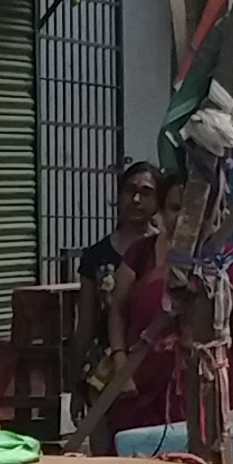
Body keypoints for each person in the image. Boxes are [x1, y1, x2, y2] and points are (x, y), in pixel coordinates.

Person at [74, 162, 186, 444]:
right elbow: (87, 322)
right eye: (130, 191)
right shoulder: (98, 255)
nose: (136, 199)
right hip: (109, 368)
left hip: (164, 370)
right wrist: (75, 382)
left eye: (146, 193)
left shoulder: (176, 252)